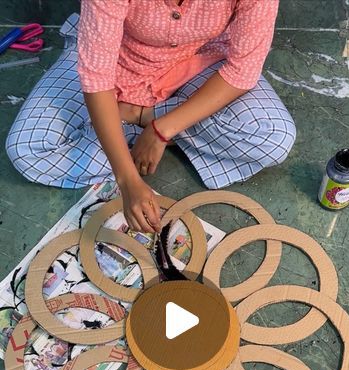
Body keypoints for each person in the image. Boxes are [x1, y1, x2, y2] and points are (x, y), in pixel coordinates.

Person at [6, 0, 296, 233]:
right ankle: (148, 137)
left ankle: (137, 123)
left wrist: (160, 127)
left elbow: (243, 71)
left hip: (199, 61)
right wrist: (127, 179)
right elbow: (96, 78)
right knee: (28, 149)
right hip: (117, 59)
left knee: (275, 136)